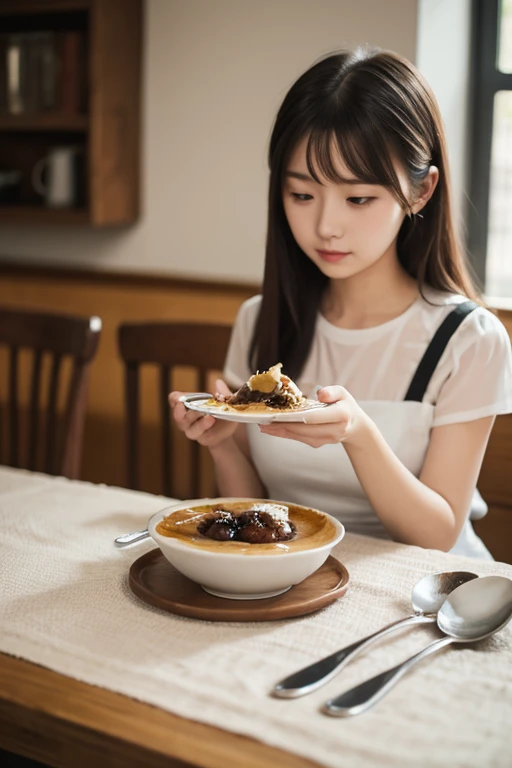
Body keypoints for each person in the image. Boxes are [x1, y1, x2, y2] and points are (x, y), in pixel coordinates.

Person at [169, 47, 512, 559]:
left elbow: (437, 537)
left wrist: (358, 434)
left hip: (427, 596)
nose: (326, 225)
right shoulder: (262, 319)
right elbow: (255, 510)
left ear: (421, 192)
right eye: (302, 195)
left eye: (358, 199)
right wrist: (221, 441)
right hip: (302, 580)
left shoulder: (468, 340)